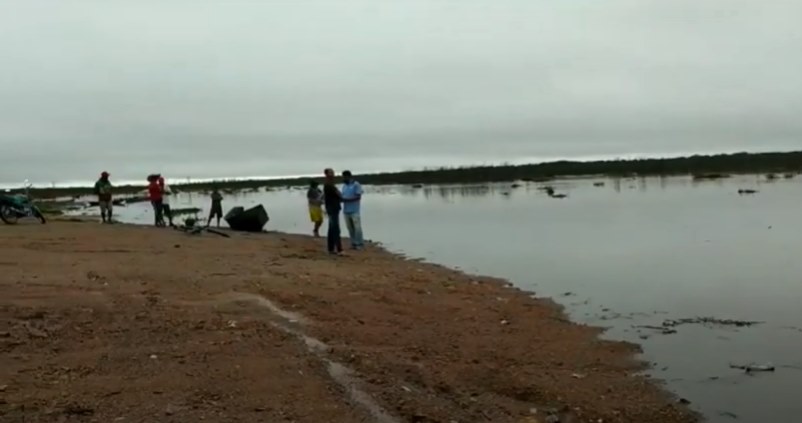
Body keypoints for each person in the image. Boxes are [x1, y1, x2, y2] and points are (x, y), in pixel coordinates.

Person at [341, 170, 364, 249]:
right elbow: (342, 196)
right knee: (350, 228)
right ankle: (353, 243)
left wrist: (347, 200)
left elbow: (358, 197)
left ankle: (359, 243)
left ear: (349, 176)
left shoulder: (356, 184)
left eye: (345, 177)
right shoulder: (344, 186)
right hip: (346, 210)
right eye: (343, 177)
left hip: (355, 210)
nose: (343, 178)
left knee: (357, 228)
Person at [323, 168, 343, 255]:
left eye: (333, 172)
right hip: (332, 208)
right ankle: (339, 249)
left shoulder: (330, 184)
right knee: (335, 229)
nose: (333, 174)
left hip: (332, 208)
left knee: (331, 229)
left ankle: (331, 248)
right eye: (330, 173)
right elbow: (339, 194)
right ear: (326, 174)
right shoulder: (329, 185)